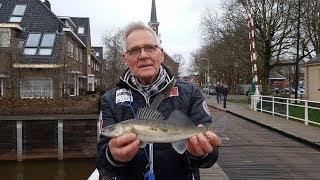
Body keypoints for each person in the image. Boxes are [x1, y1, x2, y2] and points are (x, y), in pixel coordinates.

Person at [96, 21, 221, 180]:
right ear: (125, 59)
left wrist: (201, 154)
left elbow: (210, 158)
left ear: (161, 54)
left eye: (150, 48)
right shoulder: (109, 100)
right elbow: (102, 163)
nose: (143, 55)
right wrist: (113, 157)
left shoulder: (190, 93)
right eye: (134, 50)